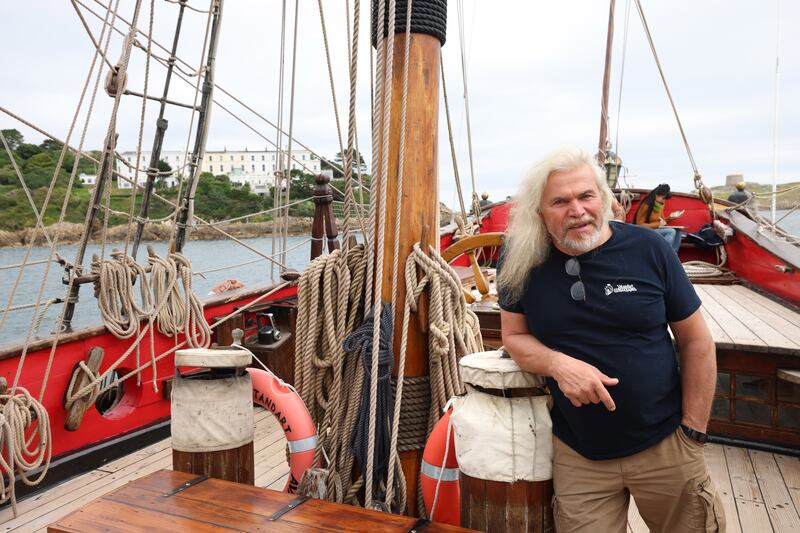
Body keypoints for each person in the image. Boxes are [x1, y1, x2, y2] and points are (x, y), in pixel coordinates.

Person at [497, 146, 723, 533]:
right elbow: (514, 337)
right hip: (579, 454)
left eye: (586, 196)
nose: (577, 210)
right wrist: (558, 364)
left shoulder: (649, 249)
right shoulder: (519, 260)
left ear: (604, 199)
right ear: (539, 213)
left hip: (667, 444)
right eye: (560, 201)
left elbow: (697, 342)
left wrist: (694, 430)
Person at [634, 183, 682, 252]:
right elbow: (639, 225)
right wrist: (659, 224)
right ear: (656, 195)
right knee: (671, 232)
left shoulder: (660, 205)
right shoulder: (646, 205)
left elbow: (661, 221)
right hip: (644, 232)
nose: (664, 201)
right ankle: (663, 256)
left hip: (655, 229)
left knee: (678, 231)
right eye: (663, 198)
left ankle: (673, 256)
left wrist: (670, 218)